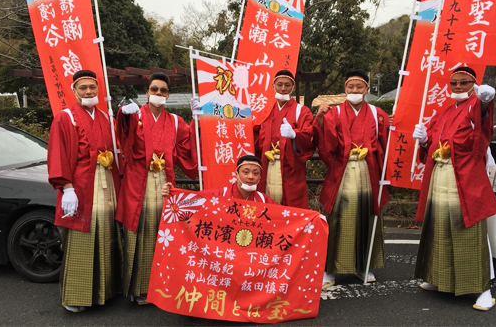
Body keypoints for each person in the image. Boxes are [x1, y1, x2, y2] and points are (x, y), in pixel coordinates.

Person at [412, 66, 496, 311]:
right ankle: (437, 277)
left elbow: (484, 122)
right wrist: (424, 139)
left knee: (469, 233)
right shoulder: (444, 112)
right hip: (440, 175)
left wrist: (485, 102)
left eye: (464, 82)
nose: (458, 87)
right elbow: (430, 142)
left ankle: (483, 289)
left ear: (474, 84)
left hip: (465, 178)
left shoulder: (475, 105)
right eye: (454, 83)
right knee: (439, 227)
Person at [116, 72, 198, 305]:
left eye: (163, 90)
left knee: (164, 234)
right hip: (138, 182)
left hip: (164, 181)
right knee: (140, 231)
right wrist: (123, 115)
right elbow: (122, 137)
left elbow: (188, 143)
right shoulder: (135, 116)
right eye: (155, 89)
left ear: (168, 94)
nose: (159, 94)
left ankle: (162, 286)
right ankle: (139, 289)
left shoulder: (174, 121)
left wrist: (197, 120)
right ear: (147, 92)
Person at [47, 69, 121, 313]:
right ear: (74, 90)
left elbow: (123, 145)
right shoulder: (65, 117)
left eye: (92, 87)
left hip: (106, 183)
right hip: (80, 186)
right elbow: (57, 154)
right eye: (83, 87)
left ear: (98, 89)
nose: (89, 91)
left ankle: (104, 292)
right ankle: (77, 296)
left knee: (107, 234)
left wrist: (128, 120)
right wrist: (66, 187)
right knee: (82, 238)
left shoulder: (106, 117)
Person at [314, 70, 390, 288]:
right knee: (338, 217)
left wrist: (393, 124)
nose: (355, 91)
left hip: (368, 171)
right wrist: (319, 119)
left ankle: (362, 266)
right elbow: (325, 142)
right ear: (345, 89)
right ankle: (331, 269)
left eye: (359, 87)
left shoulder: (377, 113)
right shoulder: (335, 113)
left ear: (367, 89)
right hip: (343, 171)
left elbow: (388, 142)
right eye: (351, 87)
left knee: (366, 217)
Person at [252, 70, 314, 208]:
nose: (283, 88)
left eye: (287, 85)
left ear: (293, 87)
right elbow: (252, 136)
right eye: (279, 84)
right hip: (267, 164)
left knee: (291, 208)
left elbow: (309, 135)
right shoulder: (264, 110)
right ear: (273, 86)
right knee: (267, 206)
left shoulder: (301, 111)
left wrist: (295, 135)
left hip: (290, 169)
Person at [161, 155, 276, 205]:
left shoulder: (264, 201)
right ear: (236, 174)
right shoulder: (219, 195)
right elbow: (192, 199)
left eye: (255, 173)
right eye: (245, 172)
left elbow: (285, 216)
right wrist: (172, 194)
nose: (250, 177)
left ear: (260, 178)